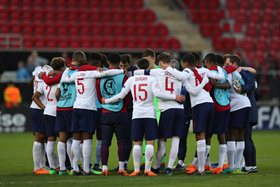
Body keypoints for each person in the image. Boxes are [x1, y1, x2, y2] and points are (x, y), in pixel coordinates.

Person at [102, 58, 185, 176]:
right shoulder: (152, 79)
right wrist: (174, 97)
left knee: (137, 142)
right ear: (148, 67)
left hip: (136, 114)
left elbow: (121, 96)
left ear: (137, 67)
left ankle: (136, 170)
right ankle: (147, 169)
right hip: (150, 114)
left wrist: (107, 101)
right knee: (150, 142)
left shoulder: (131, 79)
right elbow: (157, 94)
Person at [60, 52, 124, 175]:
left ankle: (75, 168)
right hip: (88, 109)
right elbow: (108, 72)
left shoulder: (76, 74)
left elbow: (64, 79)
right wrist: (121, 71)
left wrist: (67, 69)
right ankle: (86, 168)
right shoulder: (92, 73)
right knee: (87, 138)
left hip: (76, 107)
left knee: (76, 138)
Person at [134, 53, 186, 175]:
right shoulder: (180, 74)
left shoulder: (158, 72)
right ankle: (169, 168)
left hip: (167, 109)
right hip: (180, 109)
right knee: (176, 139)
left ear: (161, 63)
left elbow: (138, 73)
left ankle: (156, 167)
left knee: (162, 140)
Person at [95, 53, 130, 176]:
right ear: (119, 61)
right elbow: (127, 96)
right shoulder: (124, 76)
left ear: (108, 62)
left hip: (105, 112)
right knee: (122, 141)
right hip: (121, 112)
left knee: (105, 142)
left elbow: (99, 96)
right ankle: (121, 168)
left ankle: (104, 167)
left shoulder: (100, 76)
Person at [32, 58, 66, 175]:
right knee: (63, 139)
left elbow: (35, 95)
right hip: (54, 110)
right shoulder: (59, 79)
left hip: (46, 110)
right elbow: (57, 93)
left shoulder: (43, 77)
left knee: (49, 139)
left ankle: (52, 166)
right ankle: (41, 167)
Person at [223, 55, 252, 174]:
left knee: (230, 134)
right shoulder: (239, 74)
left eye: (227, 64)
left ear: (234, 64)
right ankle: (238, 167)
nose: (225, 66)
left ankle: (232, 166)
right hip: (246, 104)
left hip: (236, 106)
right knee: (241, 136)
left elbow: (229, 86)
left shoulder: (230, 74)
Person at [203, 54, 231, 174]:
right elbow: (229, 85)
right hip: (226, 105)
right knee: (222, 135)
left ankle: (207, 164)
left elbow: (208, 88)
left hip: (214, 106)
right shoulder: (223, 72)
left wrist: (214, 85)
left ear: (208, 61)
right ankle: (220, 165)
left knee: (208, 135)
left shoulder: (209, 71)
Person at [30, 66, 49, 175]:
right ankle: (37, 167)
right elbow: (35, 97)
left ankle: (43, 165)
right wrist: (44, 108)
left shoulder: (37, 75)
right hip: (39, 109)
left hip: (37, 109)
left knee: (44, 138)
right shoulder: (43, 80)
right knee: (39, 137)